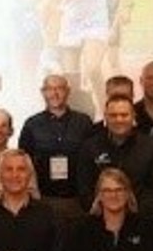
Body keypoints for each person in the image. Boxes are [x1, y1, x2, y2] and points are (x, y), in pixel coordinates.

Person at [22, 74, 98, 203]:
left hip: (77, 199)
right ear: (43, 92)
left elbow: (93, 159)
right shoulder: (32, 124)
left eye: (60, 88)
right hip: (42, 199)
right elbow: (24, 161)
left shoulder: (84, 122)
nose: (55, 93)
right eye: (50, 89)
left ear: (67, 91)